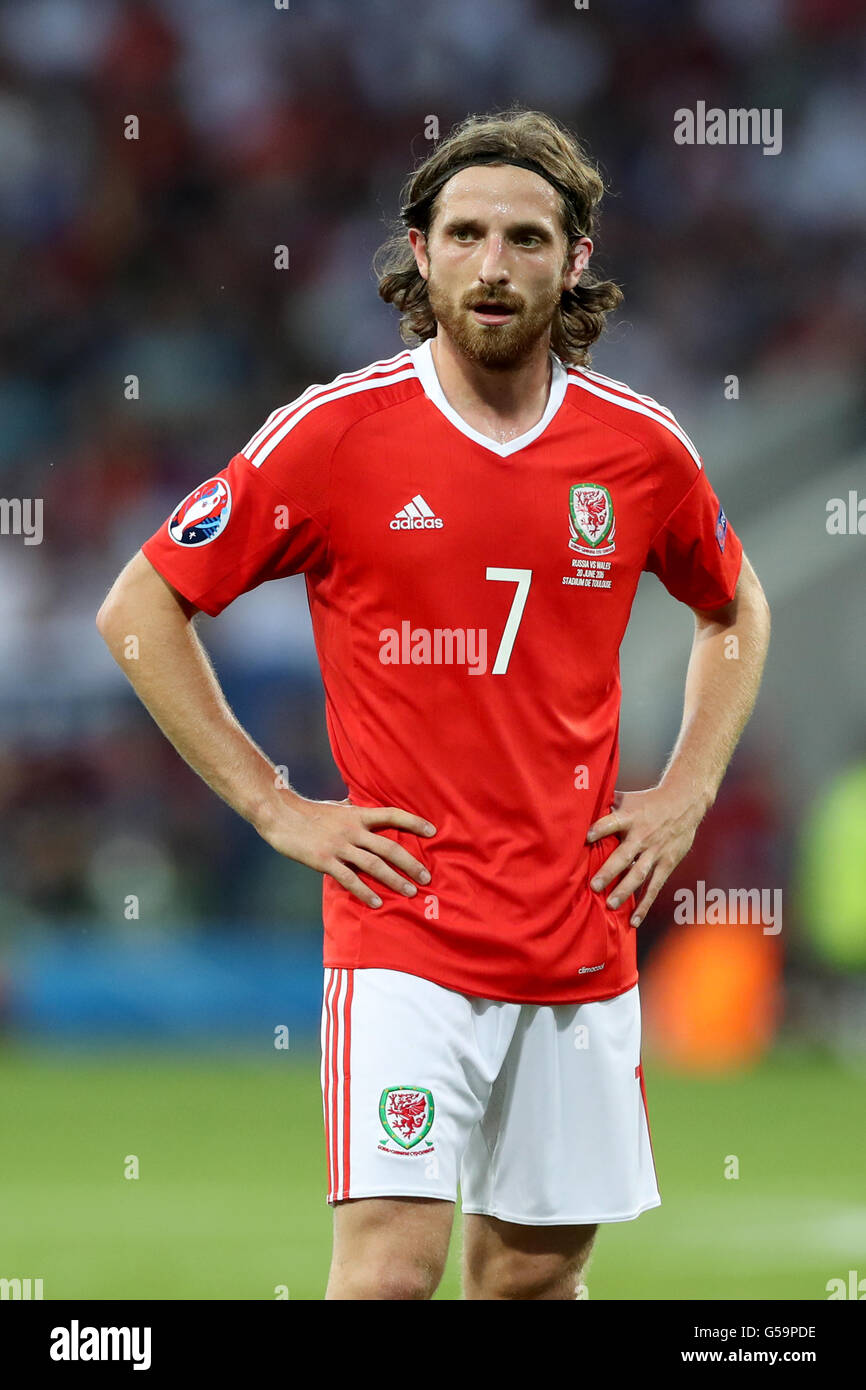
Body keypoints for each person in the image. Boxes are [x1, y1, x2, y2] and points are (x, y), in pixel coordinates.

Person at [96, 108, 771, 1300]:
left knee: (526, 1279)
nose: (493, 266)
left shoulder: (638, 450)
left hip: (579, 925)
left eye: (524, 237)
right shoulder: (333, 433)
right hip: (404, 920)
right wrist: (270, 801)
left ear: (574, 260)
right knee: (388, 1275)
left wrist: (687, 786)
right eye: (464, 234)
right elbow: (141, 608)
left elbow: (735, 607)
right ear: (420, 252)